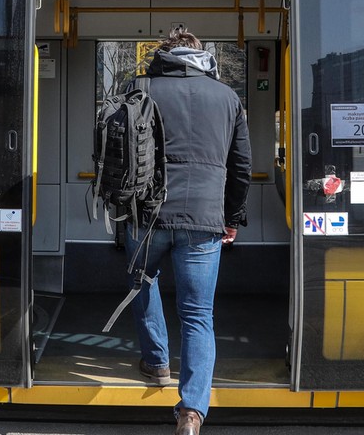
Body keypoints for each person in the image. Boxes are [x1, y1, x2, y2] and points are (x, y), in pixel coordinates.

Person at [126, 27, 251, 435]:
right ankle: (192, 411)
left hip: (147, 216)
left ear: (164, 53)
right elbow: (242, 168)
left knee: (142, 283)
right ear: (203, 56)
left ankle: (157, 361)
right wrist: (230, 217)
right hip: (204, 220)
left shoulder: (142, 87)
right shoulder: (228, 98)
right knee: (198, 315)